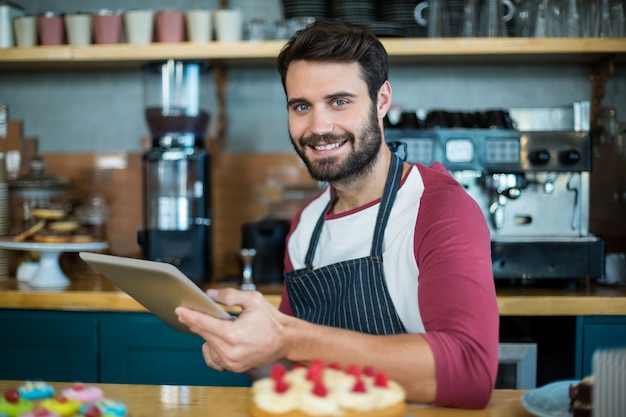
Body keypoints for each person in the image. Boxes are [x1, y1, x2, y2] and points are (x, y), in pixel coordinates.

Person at [175, 19, 499, 409]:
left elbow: (470, 372)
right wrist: (247, 351)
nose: (319, 127)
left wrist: (288, 336)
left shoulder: (439, 208)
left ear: (381, 102)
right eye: (301, 106)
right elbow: (296, 375)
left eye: (339, 101)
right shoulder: (307, 225)